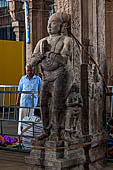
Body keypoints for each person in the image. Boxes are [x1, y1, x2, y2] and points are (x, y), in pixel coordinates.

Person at [30, 12, 73, 140]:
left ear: (62, 26)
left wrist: (49, 54)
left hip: (59, 75)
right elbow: (31, 62)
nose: (49, 26)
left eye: (53, 23)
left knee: (57, 104)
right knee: (43, 103)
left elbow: (64, 60)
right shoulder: (42, 41)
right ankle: (45, 130)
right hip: (45, 76)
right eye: (49, 23)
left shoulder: (66, 40)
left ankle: (56, 130)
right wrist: (40, 56)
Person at [16, 64, 42, 135]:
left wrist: (40, 100)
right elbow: (20, 91)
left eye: (31, 70)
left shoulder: (38, 79)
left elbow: (40, 90)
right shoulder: (23, 79)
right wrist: (17, 101)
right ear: (26, 71)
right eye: (28, 70)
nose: (29, 72)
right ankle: (20, 134)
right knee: (21, 118)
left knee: (31, 119)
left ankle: (29, 134)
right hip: (23, 102)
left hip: (33, 102)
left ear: (34, 70)